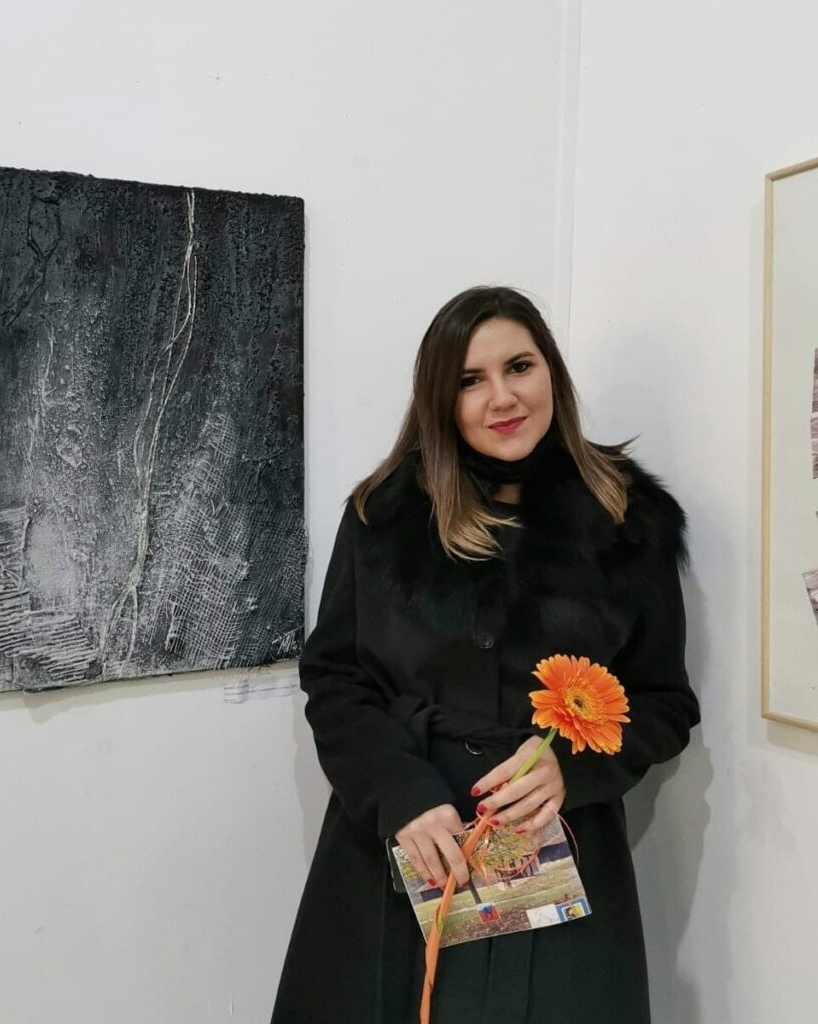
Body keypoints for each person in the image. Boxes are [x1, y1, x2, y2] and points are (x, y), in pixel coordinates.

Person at [270, 286, 700, 1024]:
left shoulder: (627, 519)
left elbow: (665, 702)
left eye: (519, 367)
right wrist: (399, 793)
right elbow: (335, 677)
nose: (502, 398)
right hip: (404, 852)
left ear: (551, 372)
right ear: (440, 398)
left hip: (559, 860)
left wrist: (573, 766)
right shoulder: (384, 514)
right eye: (470, 380)